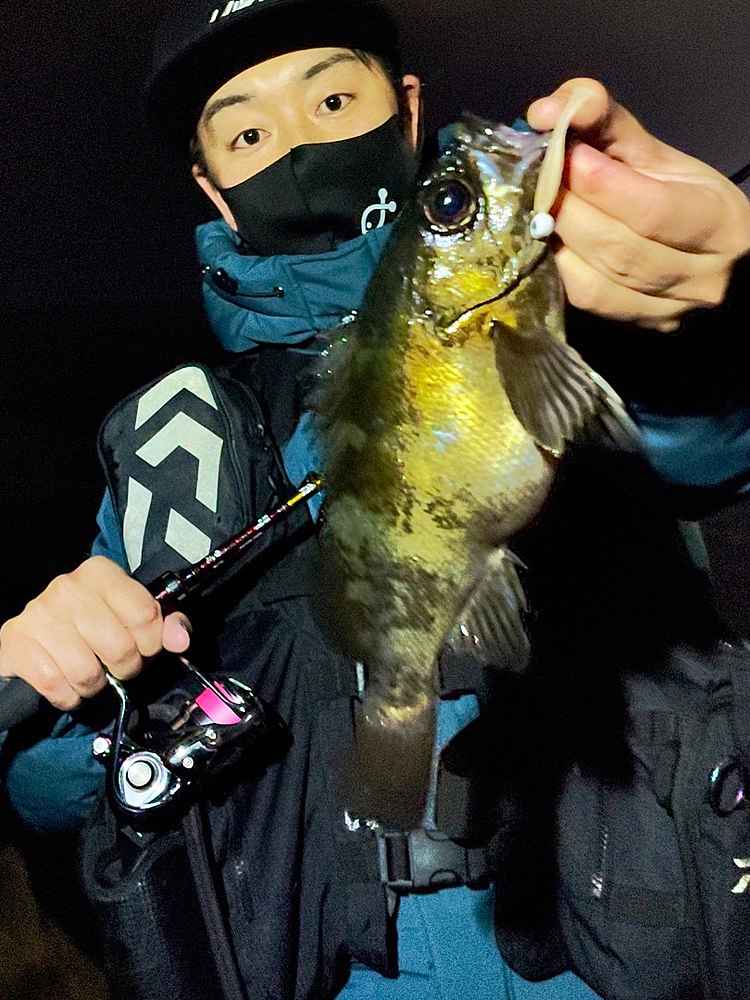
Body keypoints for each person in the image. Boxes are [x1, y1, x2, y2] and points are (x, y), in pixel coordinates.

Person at [1, 1, 749, 998]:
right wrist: (54, 684)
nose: (298, 148)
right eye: (249, 133)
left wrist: (702, 322)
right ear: (212, 188)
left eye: (332, 101)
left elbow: (706, 442)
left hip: (616, 950)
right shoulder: (174, 439)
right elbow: (51, 791)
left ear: (407, 112)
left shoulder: (569, 308)